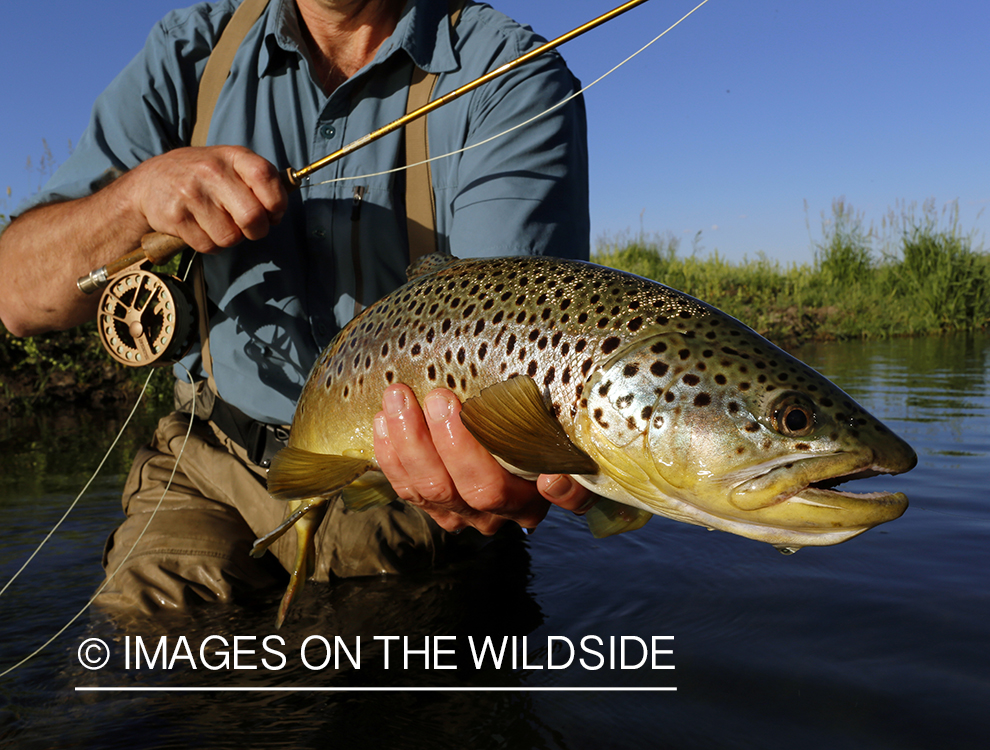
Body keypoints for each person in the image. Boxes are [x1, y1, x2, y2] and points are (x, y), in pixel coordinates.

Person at [0, 0, 594, 616]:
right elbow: (15, 295)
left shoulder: (507, 73)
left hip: (408, 501)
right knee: (137, 696)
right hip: (209, 471)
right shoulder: (192, 55)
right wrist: (134, 201)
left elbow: (515, 340)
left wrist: (513, 455)